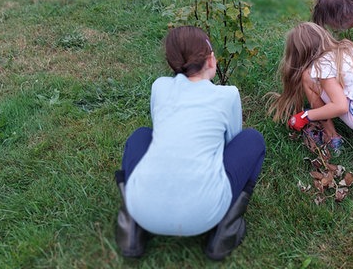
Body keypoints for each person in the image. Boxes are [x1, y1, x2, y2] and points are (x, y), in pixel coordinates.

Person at [114, 26, 265, 261]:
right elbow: (231, 143)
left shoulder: (160, 87)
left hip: (142, 207)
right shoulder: (227, 95)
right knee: (252, 140)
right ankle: (224, 230)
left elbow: (158, 132)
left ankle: (132, 226)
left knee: (141, 136)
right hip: (205, 212)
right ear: (211, 59)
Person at [269, 22, 353, 158]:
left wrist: (305, 116)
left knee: (307, 77)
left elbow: (341, 107)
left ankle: (331, 137)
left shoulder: (323, 64)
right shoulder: (351, 49)